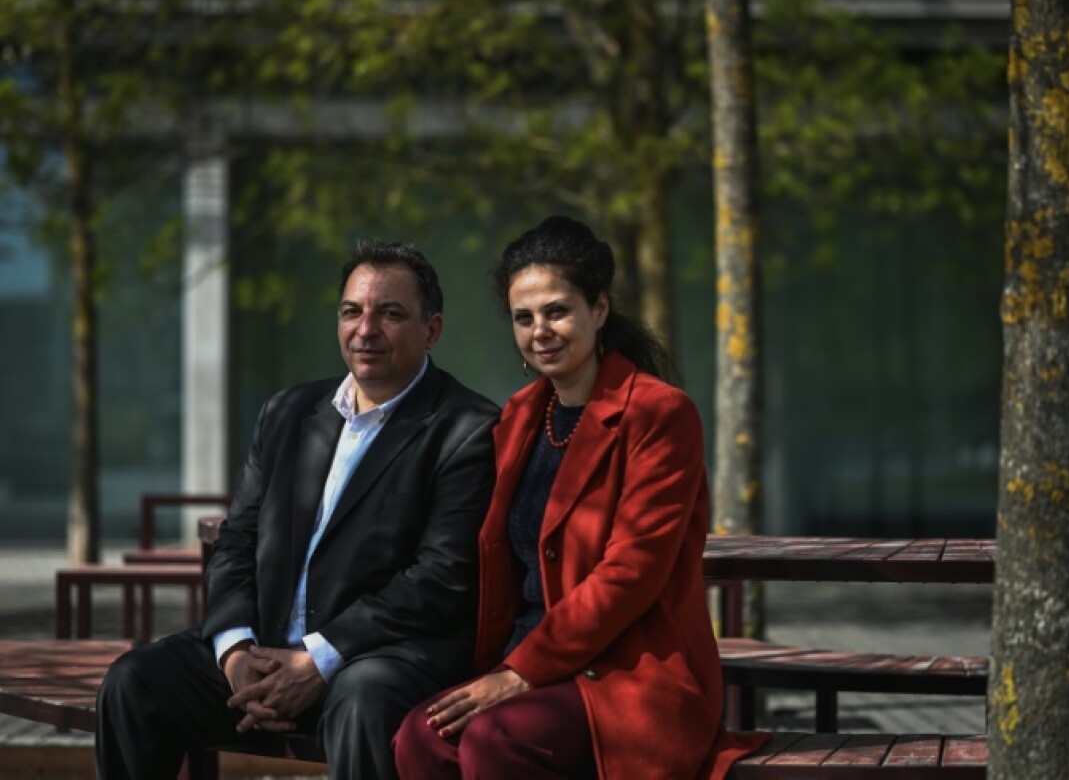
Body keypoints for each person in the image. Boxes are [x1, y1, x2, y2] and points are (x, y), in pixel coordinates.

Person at [96, 241, 500, 779]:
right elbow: (237, 541)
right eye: (352, 311)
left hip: (375, 657)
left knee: (364, 702)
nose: (366, 329)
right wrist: (237, 654)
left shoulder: (468, 429)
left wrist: (319, 659)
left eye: (391, 314)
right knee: (133, 681)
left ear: (433, 330)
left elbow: (441, 577)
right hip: (261, 656)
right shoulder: (288, 413)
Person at [392, 215, 768, 779]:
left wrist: (521, 673)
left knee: (496, 740)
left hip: (628, 672)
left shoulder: (658, 414)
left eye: (557, 311)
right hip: (528, 659)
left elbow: (630, 574)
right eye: (524, 318)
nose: (540, 330)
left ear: (599, 309)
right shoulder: (520, 417)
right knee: (421, 739)